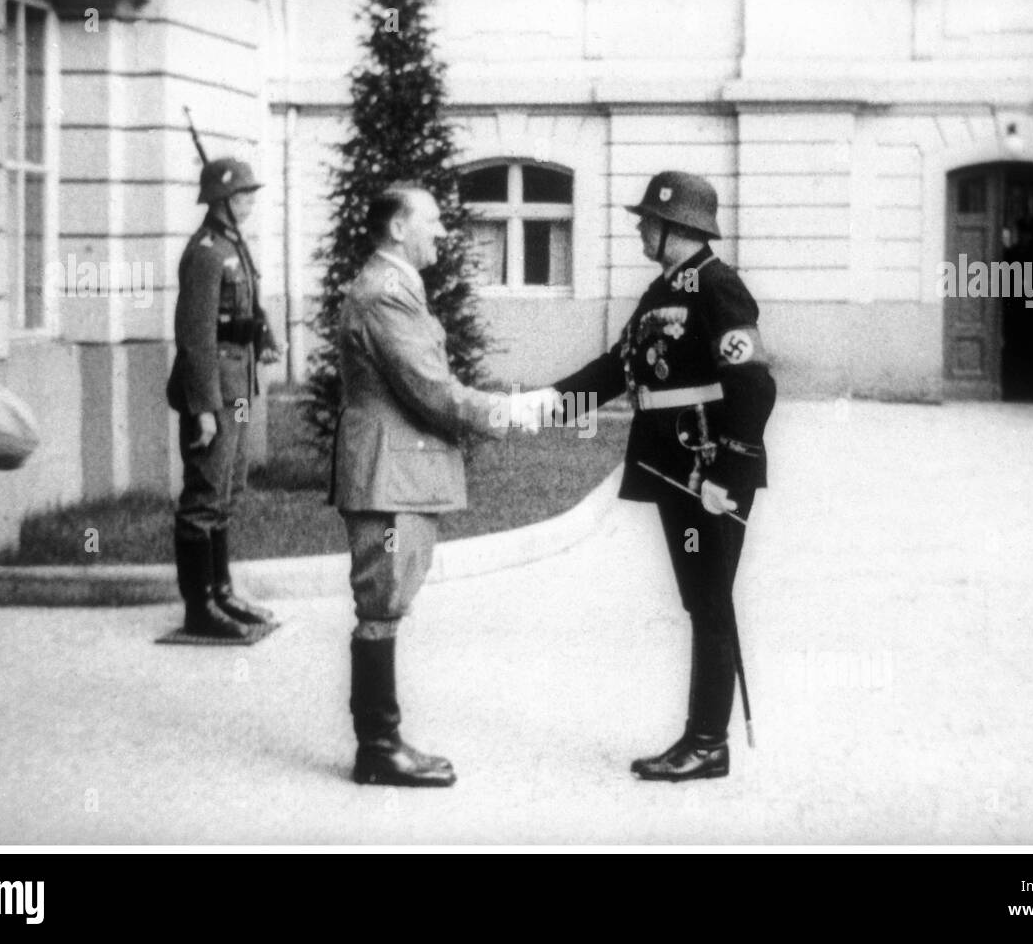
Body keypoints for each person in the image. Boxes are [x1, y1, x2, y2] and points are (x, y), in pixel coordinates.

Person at [538, 171, 777, 782]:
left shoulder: (720, 287)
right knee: (702, 598)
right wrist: (543, 406)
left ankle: (706, 743)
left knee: (710, 601)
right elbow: (616, 370)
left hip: (708, 469)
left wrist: (728, 468)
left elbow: (752, 383)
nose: (640, 227)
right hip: (675, 470)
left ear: (677, 227)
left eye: (648, 219)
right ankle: (703, 739)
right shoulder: (660, 292)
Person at [331, 183, 539, 787]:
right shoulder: (387, 294)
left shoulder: (392, 288)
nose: (443, 232)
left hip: (396, 472)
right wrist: (506, 412)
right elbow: (430, 389)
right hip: (390, 477)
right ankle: (378, 748)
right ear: (398, 228)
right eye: (432, 221)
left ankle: (383, 742)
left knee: (386, 607)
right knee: (381, 606)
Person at [166, 158, 281, 639]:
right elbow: (195, 340)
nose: (251, 203)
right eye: (244, 196)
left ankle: (223, 592)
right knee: (203, 497)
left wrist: (265, 338)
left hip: (239, 384)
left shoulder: (235, 247)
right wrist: (204, 411)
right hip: (213, 390)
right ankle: (200, 608)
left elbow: (243, 312)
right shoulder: (207, 253)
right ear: (222, 201)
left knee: (228, 491)